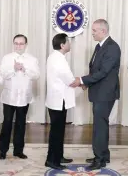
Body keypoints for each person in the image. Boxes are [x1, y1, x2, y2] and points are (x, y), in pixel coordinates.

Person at [70, 19, 121, 170]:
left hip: (105, 93)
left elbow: (103, 72)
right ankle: (103, 155)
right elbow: (96, 70)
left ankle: (99, 160)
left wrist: (81, 80)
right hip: (99, 91)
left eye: (94, 31)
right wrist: (87, 83)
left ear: (103, 31)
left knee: (100, 126)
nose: (92, 33)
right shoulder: (101, 46)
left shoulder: (111, 47)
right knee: (101, 125)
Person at [0, 34, 40, 159]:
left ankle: (18, 150)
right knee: (7, 123)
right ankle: (3, 150)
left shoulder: (32, 59)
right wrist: (14, 69)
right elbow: (3, 75)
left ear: (26, 45)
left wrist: (24, 68)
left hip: (24, 97)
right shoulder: (7, 58)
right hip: (9, 97)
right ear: (13, 44)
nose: (18, 46)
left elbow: (36, 75)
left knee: (21, 124)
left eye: (21, 43)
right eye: (16, 43)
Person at [45, 33, 75, 170]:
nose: (70, 44)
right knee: (57, 131)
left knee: (59, 130)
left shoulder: (55, 57)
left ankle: (58, 156)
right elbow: (70, 80)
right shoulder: (59, 59)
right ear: (62, 45)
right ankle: (52, 160)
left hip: (56, 99)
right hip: (59, 99)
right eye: (68, 42)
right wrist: (83, 82)